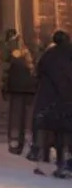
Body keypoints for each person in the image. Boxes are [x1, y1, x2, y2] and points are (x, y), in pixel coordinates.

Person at [32, 30, 72, 179]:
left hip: (52, 100)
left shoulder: (48, 55)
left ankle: (59, 163)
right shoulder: (70, 53)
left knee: (58, 133)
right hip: (68, 99)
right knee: (67, 132)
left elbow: (38, 72)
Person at [1, 28, 36, 155]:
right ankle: (25, 142)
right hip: (29, 88)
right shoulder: (31, 49)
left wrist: (3, 86)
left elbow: (3, 61)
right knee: (26, 117)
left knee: (15, 115)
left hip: (16, 87)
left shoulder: (11, 50)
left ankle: (15, 141)